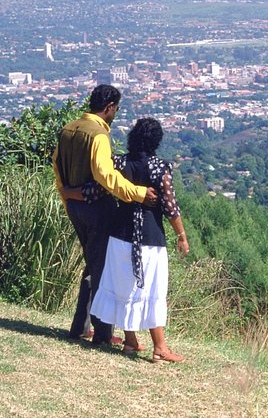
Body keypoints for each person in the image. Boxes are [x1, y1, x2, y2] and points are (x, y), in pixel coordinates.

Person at [67, 117, 189, 363]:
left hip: (119, 235)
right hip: (150, 237)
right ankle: (160, 348)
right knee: (153, 289)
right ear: (156, 140)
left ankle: (130, 341)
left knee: (124, 288)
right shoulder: (159, 167)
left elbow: (97, 189)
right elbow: (170, 206)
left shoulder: (119, 162)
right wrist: (182, 236)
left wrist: (68, 192)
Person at [53, 84, 158, 345]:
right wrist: (137, 192)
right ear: (109, 107)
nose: (116, 113)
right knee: (102, 269)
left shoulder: (69, 129)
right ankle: (101, 333)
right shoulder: (98, 134)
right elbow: (104, 174)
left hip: (75, 206)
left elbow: (56, 164)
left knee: (93, 263)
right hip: (96, 209)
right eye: (116, 109)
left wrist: (65, 195)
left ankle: (80, 326)